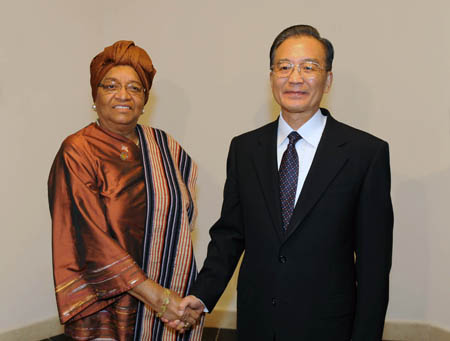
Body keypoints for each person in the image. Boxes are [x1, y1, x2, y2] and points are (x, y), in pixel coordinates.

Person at [180, 25, 394, 340]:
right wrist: (201, 296)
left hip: (329, 327)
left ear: (328, 79)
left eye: (309, 67)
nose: (295, 78)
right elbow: (230, 234)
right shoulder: (245, 149)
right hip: (258, 325)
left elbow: (374, 263)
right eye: (284, 67)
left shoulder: (365, 153)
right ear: (271, 77)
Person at [48, 40, 204, 340]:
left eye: (135, 88)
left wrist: (170, 298)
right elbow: (90, 238)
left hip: (166, 295)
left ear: (145, 99)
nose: (123, 95)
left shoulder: (166, 147)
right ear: (95, 95)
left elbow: (183, 222)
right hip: (105, 305)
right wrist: (160, 299)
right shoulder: (78, 150)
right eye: (111, 86)